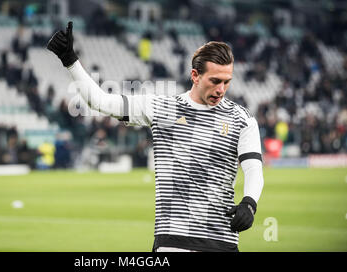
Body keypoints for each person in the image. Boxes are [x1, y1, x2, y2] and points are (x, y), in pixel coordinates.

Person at [47, 22, 264, 252]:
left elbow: (253, 169)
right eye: (215, 81)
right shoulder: (164, 108)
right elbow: (100, 102)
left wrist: (249, 203)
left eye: (226, 81)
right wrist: (70, 60)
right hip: (173, 242)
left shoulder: (242, 119)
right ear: (195, 76)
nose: (221, 89)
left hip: (222, 241)